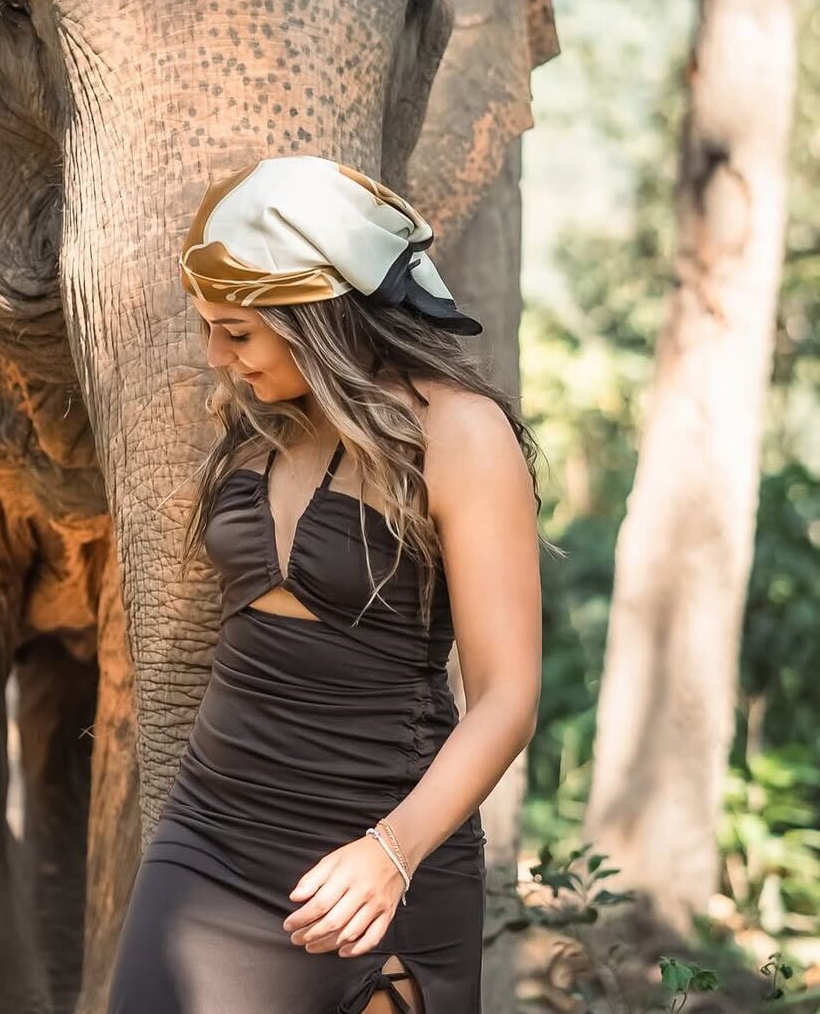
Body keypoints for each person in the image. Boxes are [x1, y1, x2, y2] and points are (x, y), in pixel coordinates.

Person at [105, 156, 544, 1014]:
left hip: (373, 861)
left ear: (317, 319)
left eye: (237, 332)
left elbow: (508, 697)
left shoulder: (458, 435)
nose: (217, 359)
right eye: (207, 329)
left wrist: (392, 852)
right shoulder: (261, 428)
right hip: (208, 838)